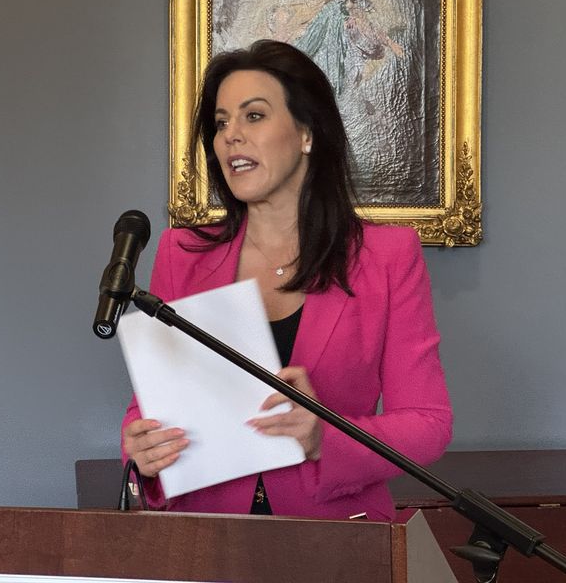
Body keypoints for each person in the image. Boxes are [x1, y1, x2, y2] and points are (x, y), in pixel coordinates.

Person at [121, 40, 452, 521]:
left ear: (307, 133)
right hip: (208, 539)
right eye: (220, 123)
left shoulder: (386, 256)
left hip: (334, 541)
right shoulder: (182, 254)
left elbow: (429, 423)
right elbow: (149, 406)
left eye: (253, 116)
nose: (231, 135)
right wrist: (141, 451)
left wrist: (324, 436)